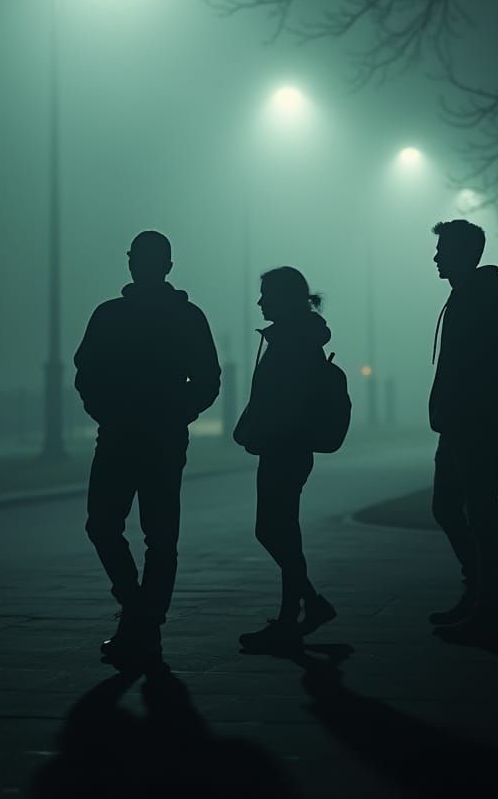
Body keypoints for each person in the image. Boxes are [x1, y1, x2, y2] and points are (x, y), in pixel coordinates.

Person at [74, 230, 220, 669]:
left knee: (114, 526)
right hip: (154, 434)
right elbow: (208, 380)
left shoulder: (111, 315)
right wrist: (181, 411)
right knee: (152, 534)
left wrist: (104, 409)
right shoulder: (186, 316)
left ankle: (137, 614)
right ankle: (144, 619)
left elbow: (86, 372)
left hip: (127, 432)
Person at [235, 266, 337, 653]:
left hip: (285, 445)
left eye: (265, 295)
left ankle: (298, 610)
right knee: (282, 529)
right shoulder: (297, 338)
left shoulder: (291, 342)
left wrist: (265, 430)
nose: (260, 302)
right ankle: (299, 608)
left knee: (273, 529)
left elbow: (284, 398)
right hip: (288, 445)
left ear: (283, 298)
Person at [427, 219, 498, 645]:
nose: (436, 256)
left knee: (480, 514)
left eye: (443, 249)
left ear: (464, 253)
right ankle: (476, 595)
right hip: (460, 425)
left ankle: (487, 609)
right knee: (449, 508)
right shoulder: (466, 298)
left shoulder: (476, 302)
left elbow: (473, 371)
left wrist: (460, 411)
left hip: (474, 425)